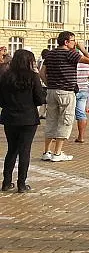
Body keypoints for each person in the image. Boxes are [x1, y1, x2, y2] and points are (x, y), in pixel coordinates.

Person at [40, 31, 89, 162]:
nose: (75, 43)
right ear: (66, 42)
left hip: (52, 91)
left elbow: (42, 73)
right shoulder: (70, 53)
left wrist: (50, 84)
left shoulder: (50, 53)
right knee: (65, 120)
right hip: (66, 91)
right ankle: (58, 153)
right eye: (73, 41)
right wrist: (82, 48)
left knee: (51, 120)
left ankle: (46, 151)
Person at [0, 49, 46, 193]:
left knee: (12, 149)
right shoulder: (32, 77)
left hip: (9, 117)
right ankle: (21, 184)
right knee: (25, 151)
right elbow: (40, 99)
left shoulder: (5, 76)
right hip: (28, 118)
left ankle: (6, 182)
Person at [73, 61, 89, 143]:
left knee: (64, 112)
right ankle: (81, 137)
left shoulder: (72, 63)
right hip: (84, 90)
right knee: (81, 113)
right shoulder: (87, 64)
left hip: (72, 90)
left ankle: (59, 137)